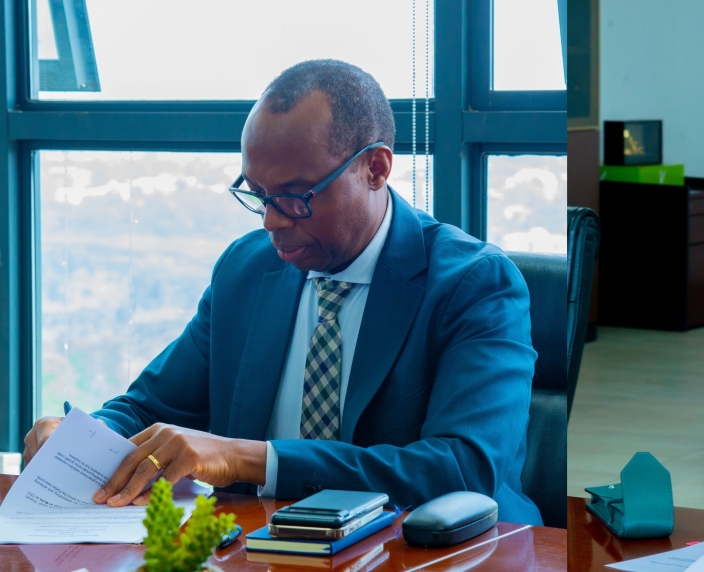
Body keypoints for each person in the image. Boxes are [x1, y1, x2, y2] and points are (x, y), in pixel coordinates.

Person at [23, 59, 542, 525]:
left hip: (433, 555)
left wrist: (251, 459)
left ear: (376, 168)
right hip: (257, 552)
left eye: (295, 197)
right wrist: (78, 441)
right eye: (257, 195)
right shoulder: (246, 271)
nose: (272, 221)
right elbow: (148, 409)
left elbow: (463, 469)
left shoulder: (474, 284)